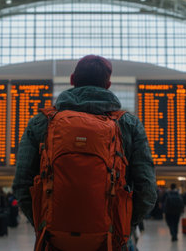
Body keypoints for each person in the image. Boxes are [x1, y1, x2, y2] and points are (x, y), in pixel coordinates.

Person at [13, 55, 157, 250]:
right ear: (108, 84)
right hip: (111, 241)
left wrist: (44, 225)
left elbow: (22, 185)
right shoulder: (128, 124)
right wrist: (121, 226)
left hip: (53, 240)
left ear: (72, 80)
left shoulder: (41, 122)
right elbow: (147, 191)